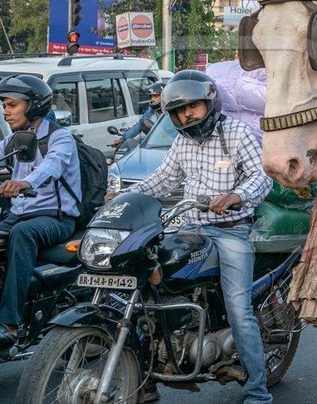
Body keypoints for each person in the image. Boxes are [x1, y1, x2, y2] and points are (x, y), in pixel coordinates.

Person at [108, 70, 273, 403]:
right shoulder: (182, 142)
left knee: (239, 308)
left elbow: (262, 177)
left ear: (209, 102)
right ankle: (145, 381)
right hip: (189, 228)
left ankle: (258, 391)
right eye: (179, 111)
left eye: (193, 107)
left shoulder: (237, 133)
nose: (187, 115)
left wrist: (236, 196)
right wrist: (123, 199)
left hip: (231, 231)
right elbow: (160, 180)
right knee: (147, 290)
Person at [0, 75, 81, 346]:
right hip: (18, 215)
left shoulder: (60, 138)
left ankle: (8, 324)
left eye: (12, 105)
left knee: (23, 233)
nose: (5, 111)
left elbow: (52, 166)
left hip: (55, 218)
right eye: (4, 105)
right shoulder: (14, 141)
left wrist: (25, 182)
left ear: (33, 106)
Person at [113, 81, 165, 145]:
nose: (152, 99)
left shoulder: (170, 112)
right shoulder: (150, 112)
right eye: (151, 96)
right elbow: (138, 126)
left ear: (164, 96)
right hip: (153, 145)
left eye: (155, 96)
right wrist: (123, 139)